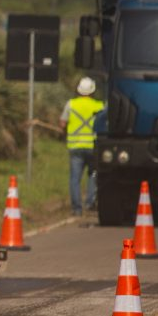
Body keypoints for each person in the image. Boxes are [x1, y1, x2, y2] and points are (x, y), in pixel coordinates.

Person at [61, 76, 105, 216]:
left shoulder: (71, 104)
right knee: (93, 174)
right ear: (92, 91)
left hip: (75, 146)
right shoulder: (99, 106)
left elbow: (62, 123)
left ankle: (76, 209)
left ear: (79, 91)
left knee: (75, 179)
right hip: (93, 146)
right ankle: (90, 202)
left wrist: (65, 132)